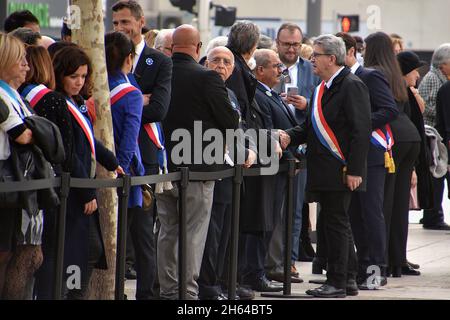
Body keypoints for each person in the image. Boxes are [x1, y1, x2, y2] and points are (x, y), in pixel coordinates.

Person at [279, 34, 371, 298]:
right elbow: (309, 127)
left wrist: (355, 170)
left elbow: (360, 131)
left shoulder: (351, 85)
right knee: (336, 223)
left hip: (341, 170)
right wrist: (288, 136)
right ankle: (349, 279)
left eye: (315, 55)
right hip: (324, 170)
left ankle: (337, 282)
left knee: (336, 225)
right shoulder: (322, 87)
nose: (311, 60)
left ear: (331, 58)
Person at [157, 24, 239, 300]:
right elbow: (230, 120)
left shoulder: (159, 73)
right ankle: (187, 294)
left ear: (171, 47)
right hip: (200, 167)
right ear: (198, 48)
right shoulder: (207, 78)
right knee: (193, 234)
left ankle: (169, 291)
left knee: (167, 231)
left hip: (163, 166)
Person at [112, 0, 173, 298]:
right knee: (112, 234)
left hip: (145, 157)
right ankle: (114, 291)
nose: (120, 28)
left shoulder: (159, 61)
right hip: (111, 155)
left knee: (143, 234)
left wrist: (132, 104)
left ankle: (146, 295)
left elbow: (159, 109)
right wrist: (139, 100)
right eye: (115, 24)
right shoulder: (106, 56)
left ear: (140, 22)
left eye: (125, 22)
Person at [52, 45, 123, 299]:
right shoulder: (58, 102)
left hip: (83, 184)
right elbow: (69, 153)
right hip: (73, 190)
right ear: (60, 74)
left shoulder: (78, 101)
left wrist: (113, 162)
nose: (79, 82)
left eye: (83, 76)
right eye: (73, 77)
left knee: (87, 250)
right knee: (79, 251)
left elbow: (90, 141)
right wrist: (87, 192)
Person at [336, 32, 398, 289]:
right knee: (355, 216)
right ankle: (362, 268)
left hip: (372, 153)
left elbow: (389, 109)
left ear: (351, 52)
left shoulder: (369, 75)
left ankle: (375, 271)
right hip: (350, 154)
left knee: (371, 214)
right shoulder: (340, 80)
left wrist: (358, 125)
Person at [198, 46, 257, 300]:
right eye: (215, 60)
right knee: (211, 233)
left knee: (225, 233)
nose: (221, 65)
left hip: (231, 171)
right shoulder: (203, 90)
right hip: (211, 168)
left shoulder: (231, 93)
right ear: (205, 63)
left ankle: (221, 283)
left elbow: (240, 128)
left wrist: (249, 149)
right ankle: (208, 286)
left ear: (233, 68)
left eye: (226, 62)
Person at [18, 44, 76, 299]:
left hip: (26, 182)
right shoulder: (52, 99)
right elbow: (65, 149)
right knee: (44, 251)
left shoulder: (19, 94)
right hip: (47, 184)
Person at [364, 32, 421, 278]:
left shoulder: (373, 73)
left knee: (382, 203)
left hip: (390, 140)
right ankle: (397, 260)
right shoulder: (395, 75)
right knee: (399, 205)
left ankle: (381, 262)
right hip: (409, 137)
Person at [252, 48, 304, 285]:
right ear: (260, 70)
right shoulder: (260, 95)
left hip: (284, 168)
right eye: (275, 66)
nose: (281, 70)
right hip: (272, 168)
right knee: (268, 221)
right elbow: (272, 132)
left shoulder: (272, 94)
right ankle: (263, 270)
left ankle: (273, 267)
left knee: (281, 219)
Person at [275, 22, 320, 266]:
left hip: (301, 145)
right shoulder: (269, 65)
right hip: (273, 143)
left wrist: (307, 104)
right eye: (286, 44)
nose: (291, 49)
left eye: (295, 44)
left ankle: (289, 260)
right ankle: (270, 261)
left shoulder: (311, 69)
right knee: (273, 208)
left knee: (295, 209)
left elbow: (322, 103)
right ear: (278, 43)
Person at [0, 32, 39, 300]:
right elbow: (23, 134)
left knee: (10, 253)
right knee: (3, 253)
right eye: (21, 60)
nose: (26, 66)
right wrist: (44, 133)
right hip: (5, 178)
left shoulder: (12, 93)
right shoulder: (2, 96)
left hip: (12, 180)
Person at [397, 51, 434, 274]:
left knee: (404, 212)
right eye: (414, 71)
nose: (417, 76)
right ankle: (398, 256)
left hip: (412, 159)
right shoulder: (401, 94)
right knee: (400, 211)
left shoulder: (410, 93)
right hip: (405, 163)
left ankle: (401, 255)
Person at [419, 43, 450, 230]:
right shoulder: (432, 79)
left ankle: (434, 214)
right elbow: (429, 106)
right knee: (436, 176)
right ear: (442, 63)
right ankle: (433, 216)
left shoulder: (441, 79)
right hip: (432, 135)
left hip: (436, 134)